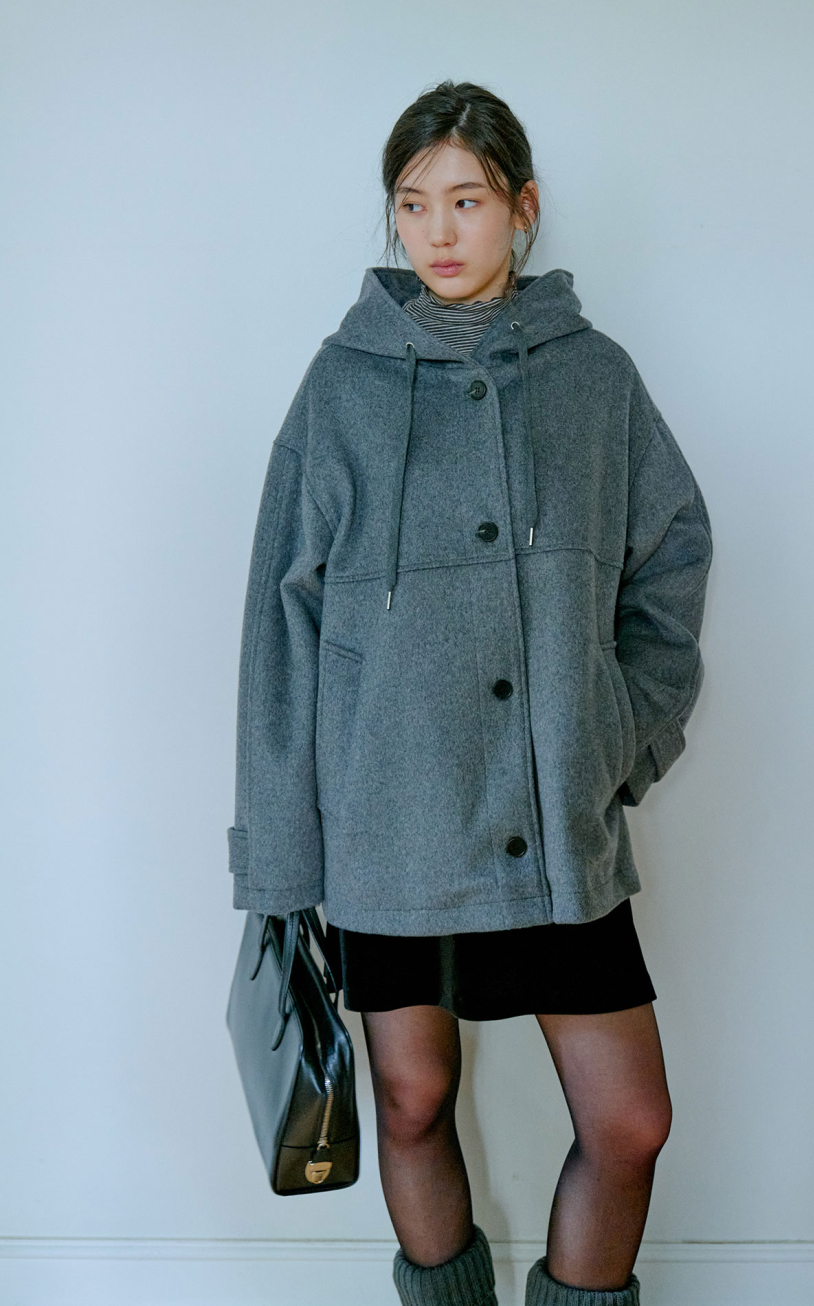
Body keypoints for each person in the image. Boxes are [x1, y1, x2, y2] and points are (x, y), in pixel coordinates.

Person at [227, 80, 713, 1306]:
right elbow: (280, 631)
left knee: (630, 1121)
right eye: (412, 204)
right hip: (390, 821)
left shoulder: (595, 379)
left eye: (468, 200)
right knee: (412, 1099)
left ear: (522, 208)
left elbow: (672, 560)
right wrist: (281, 864)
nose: (438, 232)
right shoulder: (340, 387)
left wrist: (616, 737)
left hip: (552, 824)